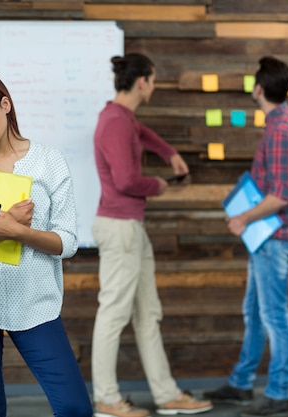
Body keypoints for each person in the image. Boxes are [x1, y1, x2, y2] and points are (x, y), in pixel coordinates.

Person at [0, 70, 93, 417]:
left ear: (6, 105)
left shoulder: (48, 161)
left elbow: (67, 241)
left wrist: (20, 232)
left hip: (34, 301)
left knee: (74, 407)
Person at [91, 52, 213, 417]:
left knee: (149, 314)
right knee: (113, 314)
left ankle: (166, 394)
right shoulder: (114, 121)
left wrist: (169, 152)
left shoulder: (123, 118)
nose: (155, 86)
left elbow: (143, 134)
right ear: (142, 81)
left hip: (131, 228)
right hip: (120, 228)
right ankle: (107, 399)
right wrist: (160, 184)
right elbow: (128, 181)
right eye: (154, 80)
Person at [203, 56, 288, 417]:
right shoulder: (283, 123)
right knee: (256, 311)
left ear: (259, 89)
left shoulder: (280, 130)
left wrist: (243, 217)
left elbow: (281, 195)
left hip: (274, 237)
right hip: (268, 238)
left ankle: (278, 393)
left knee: (273, 315)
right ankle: (242, 383)